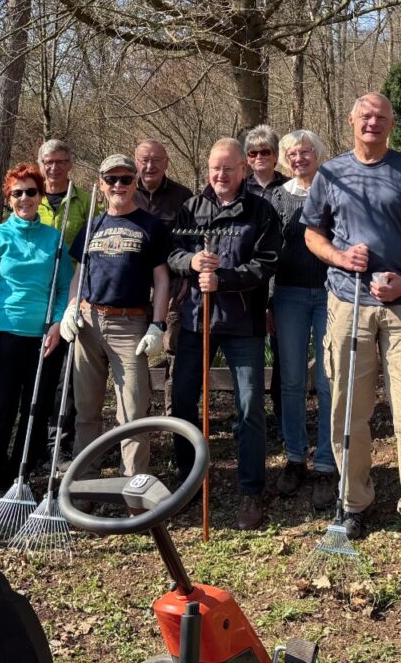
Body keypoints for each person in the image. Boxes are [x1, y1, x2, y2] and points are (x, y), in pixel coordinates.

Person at [302, 92, 401, 564]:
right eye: (365, 115)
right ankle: (354, 503)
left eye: (381, 117)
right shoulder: (330, 173)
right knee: (347, 409)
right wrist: (341, 257)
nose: (373, 122)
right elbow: (312, 233)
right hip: (348, 303)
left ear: (391, 123)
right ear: (351, 119)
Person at [168, 138, 281, 530]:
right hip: (196, 321)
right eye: (216, 168)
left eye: (229, 168)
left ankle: (251, 490)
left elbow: (266, 263)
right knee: (182, 400)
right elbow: (172, 253)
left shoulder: (261, 211)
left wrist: (225, 280)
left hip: (242, 323)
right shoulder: (191, 208)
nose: (221, 175)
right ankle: (188, 481)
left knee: (249, 408)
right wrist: (192, 261)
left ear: (244, 171)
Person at [60, 154, 171, 481]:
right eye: (112, 180)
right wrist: (70, 307)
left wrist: (158, 325)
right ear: (101, 184)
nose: (118, 185)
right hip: (89, 322)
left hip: (131, 325)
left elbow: (162, 279)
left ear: (135, 182)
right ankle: (84, 483)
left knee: (133, 411)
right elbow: (79, 273)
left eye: (125, 179)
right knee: (86, 410)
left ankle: (132, 484)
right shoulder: (92, 225)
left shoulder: (151, 226)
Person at [0, 164, 72, 505]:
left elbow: (64, 289)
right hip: (4, 336)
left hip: (44, 340)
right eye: (17, 193)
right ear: (8, 198)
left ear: (40, 195)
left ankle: (22, 474)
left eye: (31, 191)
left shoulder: (53, 239)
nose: (24, 198)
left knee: (35, 409)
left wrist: (58, 324)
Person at [269, 130, 337, 508]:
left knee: (327, 381)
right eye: (292, 154)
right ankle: (295, 457)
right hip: (288, 296)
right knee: (291, 380)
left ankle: (326, 462)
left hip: (330, 293)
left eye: (306, 151)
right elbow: (267, 249)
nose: (299, 158)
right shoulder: (277, 196)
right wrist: (267, 303)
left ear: (318, 153)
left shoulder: (334, 186)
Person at [36, 138, 96, 468]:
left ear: (70, 163)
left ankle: (60, 443)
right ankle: (33, 445)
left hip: (73, 298)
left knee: (67, 377)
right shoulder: (30, 199)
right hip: (35, 298)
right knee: (38, 374)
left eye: (60, 161)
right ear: (41, 164)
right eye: (49, 162)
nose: (55, 167)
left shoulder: (86, 202)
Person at [132, 139, 194, 415]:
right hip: (133, 290)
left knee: (175, 353)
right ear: (136, 162)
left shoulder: (183, 197)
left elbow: (193, 245)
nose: (150, 165)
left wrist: (187, 280)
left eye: (156, 159)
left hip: (173, 289)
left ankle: (174, 417)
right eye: (144, 159)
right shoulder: (124, 192)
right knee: (133, 356)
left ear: (166, 163)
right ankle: (139, 414)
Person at [243, 124, 288, 425]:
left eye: (265, 151)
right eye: (253, 152)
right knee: (250, 355)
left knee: (282, 353)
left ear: (275, 155)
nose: (259, 157)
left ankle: (282, 416)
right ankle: (248, 417)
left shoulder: (288, 188)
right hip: (245, 283)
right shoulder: (239, 188)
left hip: (282, 280)